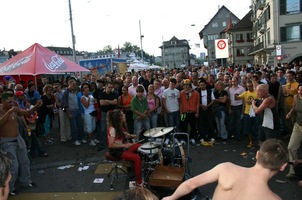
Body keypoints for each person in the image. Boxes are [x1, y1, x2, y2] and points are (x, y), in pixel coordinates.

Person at [163, 139, 289, 200]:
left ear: (257, 155)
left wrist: (172, 198)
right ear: (283, 166)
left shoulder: (226, 169)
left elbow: (191, 184)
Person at [0, 92, 42, 196]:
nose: (11, 103)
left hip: (18, 139)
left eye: (12, 100)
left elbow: (27, 113)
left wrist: (36, 106)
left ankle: (25, 181)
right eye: (9, 101)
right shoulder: (1, 110)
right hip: (7, 142)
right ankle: (10, 187)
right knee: (14, 166)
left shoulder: (15, 108)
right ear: (3, 101)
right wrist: (9, 112)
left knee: (25, 162)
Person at [107, 109, 143, 186]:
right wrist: (125, 145)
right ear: (119, 117)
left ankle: (134, 168)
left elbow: (125, 135)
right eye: (122, 114)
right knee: (137, 158)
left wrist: (133, 135)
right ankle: (139, 182)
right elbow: (111, 145)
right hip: (117, 151)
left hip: (122, 148)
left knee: (140, 147)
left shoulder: (120, 126)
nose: (124, 115)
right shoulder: (112, 129)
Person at [285, 83, 302, 179]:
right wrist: (290, 113)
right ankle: (293, 171)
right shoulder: (296, 97)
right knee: (291, 147)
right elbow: (294, 108)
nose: (300, 92)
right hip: (297, 126)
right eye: (299, 90)